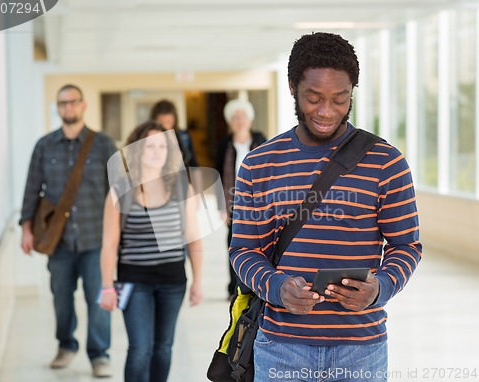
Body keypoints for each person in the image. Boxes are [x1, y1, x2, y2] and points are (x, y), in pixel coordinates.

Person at [229, 32, 422, 381]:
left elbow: (406, 246)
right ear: (292, 88)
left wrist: (380, 287)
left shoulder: (386, 162)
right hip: (281, 346)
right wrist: (276, 287)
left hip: (360, 348)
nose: (326, 111)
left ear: (352, 92)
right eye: (314, 98)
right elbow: (243, 250)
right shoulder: (259, 165)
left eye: (339, 99)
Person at [19, 84, 117, 377]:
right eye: (62, 103)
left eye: (73, 102)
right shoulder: (44, 145)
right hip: (58, 241)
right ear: (58, 108)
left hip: (95, 240)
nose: (68, 108)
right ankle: (66, 345)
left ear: (83, 105)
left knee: (99, 299)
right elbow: (31, 188)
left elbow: (117, 192)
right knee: (61, 299)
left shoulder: (103, 144)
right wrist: (26, 228)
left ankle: (100, 354)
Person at [99, 121, 203, 382]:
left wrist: (198, 281)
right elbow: (110, 244)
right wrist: (106, 286)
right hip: (134, 281)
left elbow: (193, 239)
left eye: (162, 146)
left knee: (163, 348)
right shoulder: (119, 191)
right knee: (140, 349)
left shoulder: (182, 189)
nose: (156, 151)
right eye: (149, 146)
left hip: (172, 281)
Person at [215, 99, 266, 299]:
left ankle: (256, 284)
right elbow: (217, 176)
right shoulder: (224, 145)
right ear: (230, 121)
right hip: (234, 203)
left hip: (259, 203)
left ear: (250, 119)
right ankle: (234, 287)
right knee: (234, 245)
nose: (240, 121)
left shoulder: (261, 140)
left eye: (243, 116)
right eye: (235, 117)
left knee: (261, 245)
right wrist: (221, 207)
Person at [149, 99, 198, 168]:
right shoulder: (149, 139)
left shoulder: (184, 136)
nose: (165, 127)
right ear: (154, 121)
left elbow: (194, 163)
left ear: (174, 120)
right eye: (161, 123)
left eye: (169, 122)